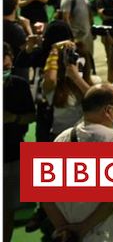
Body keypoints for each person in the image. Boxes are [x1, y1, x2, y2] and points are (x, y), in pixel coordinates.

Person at [42, 84, 113, 242]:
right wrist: (84, 228)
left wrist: (63, 228)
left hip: (69, 233)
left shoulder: (61, 138)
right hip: (109, 233)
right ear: (108, 111)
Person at [4, 44, 35, 242]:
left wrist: (12, 118)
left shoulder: (19, 85)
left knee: (6, 209)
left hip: (12, 154)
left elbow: (31, 116)